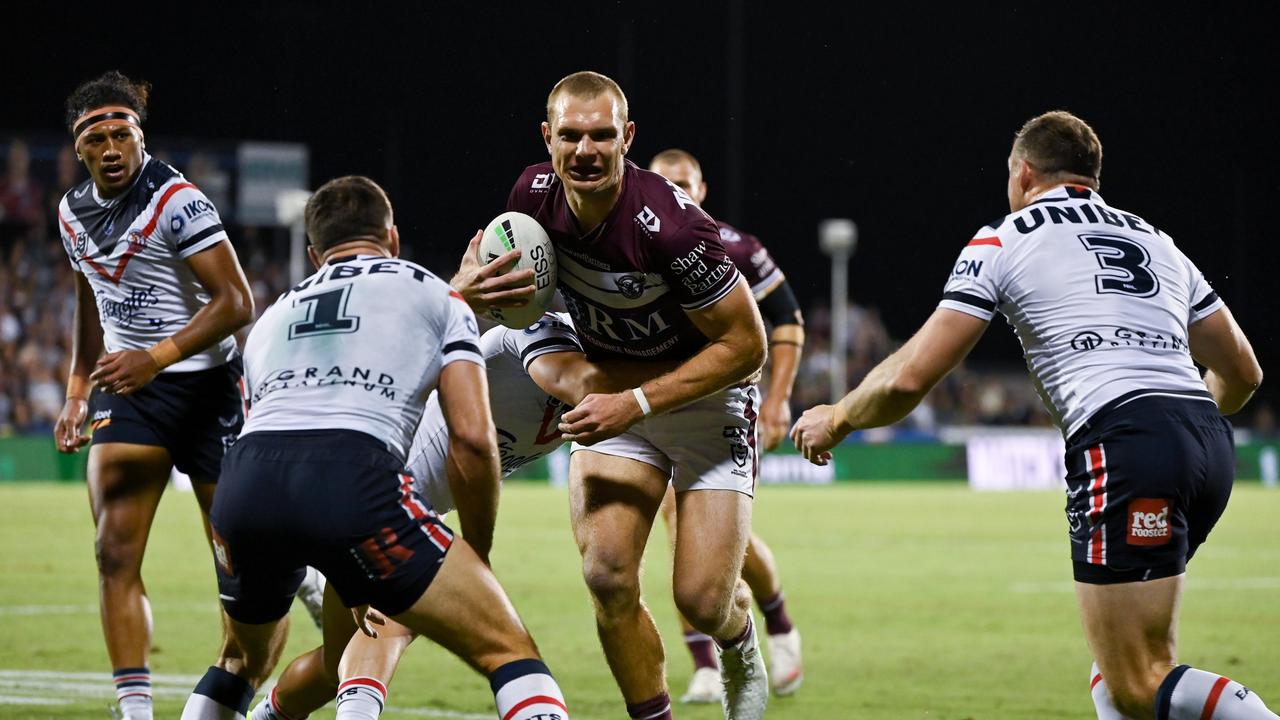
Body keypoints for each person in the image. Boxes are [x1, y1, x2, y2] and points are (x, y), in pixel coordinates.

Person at [791, 111, 1273, 720]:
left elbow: (912, 373)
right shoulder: (1156, 240)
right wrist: (1181, 433)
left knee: (1134, 679)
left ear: (1023, 172)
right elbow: (1245, 373)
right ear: (1092, 178)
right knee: (1117, 670)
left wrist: (836, 418)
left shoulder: (1006, 235)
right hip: (1209, 441)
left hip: (1124, 442)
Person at [181, 176, 570, 720]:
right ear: (392, 236)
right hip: (354, 484)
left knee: (239, 660)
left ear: (315, 254)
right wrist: (474, 555)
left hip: (244, 488)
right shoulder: (435, 294)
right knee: (508, 650)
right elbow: (473, 439)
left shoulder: (273, 317)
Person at [457, 71, 769, 720]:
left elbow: (747, 346)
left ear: (627, 138)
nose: (585, 151)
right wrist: (476, 293)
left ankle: (740, 643)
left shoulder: (676, 230)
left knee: (703, 602)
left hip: (705, 400)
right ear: (548, 138)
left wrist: (640, 403)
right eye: (570, 136)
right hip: (615, 390)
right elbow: (506, 288)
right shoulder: (529, 197)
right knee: (607, 575)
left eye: (602, 135)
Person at [250, 311, 677, 719]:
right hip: (374, 493)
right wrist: (702, 363)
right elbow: (579, 382)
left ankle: (267, 715)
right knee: (417, 628)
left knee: (333, 667)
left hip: (397, 501)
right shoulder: (535, 333)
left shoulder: (614, 373)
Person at [52, 71, 254, 720]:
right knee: (112, 550)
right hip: (129, 393)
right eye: (96, 138)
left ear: (141, 137)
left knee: (238, 563)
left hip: (206, 390)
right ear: (78, 149)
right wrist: (77, 392)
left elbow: (236, 302)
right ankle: (134, 711)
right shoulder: (69, 212)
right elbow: (90, 300)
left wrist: (156, 357)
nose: (111, 147)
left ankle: (291, 586)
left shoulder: (178, 200)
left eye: (123, 133)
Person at [649, 148, 805, 702]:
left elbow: (786, 320)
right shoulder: (627, 247)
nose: (676, 192)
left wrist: (779, 398)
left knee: (719, 542)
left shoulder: (737, 248)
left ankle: (779, 625)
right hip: (657, 406)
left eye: (685, 183)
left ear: (703, 188)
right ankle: (707, 666)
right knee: (676, 532)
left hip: (722, 407)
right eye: (665, 182)